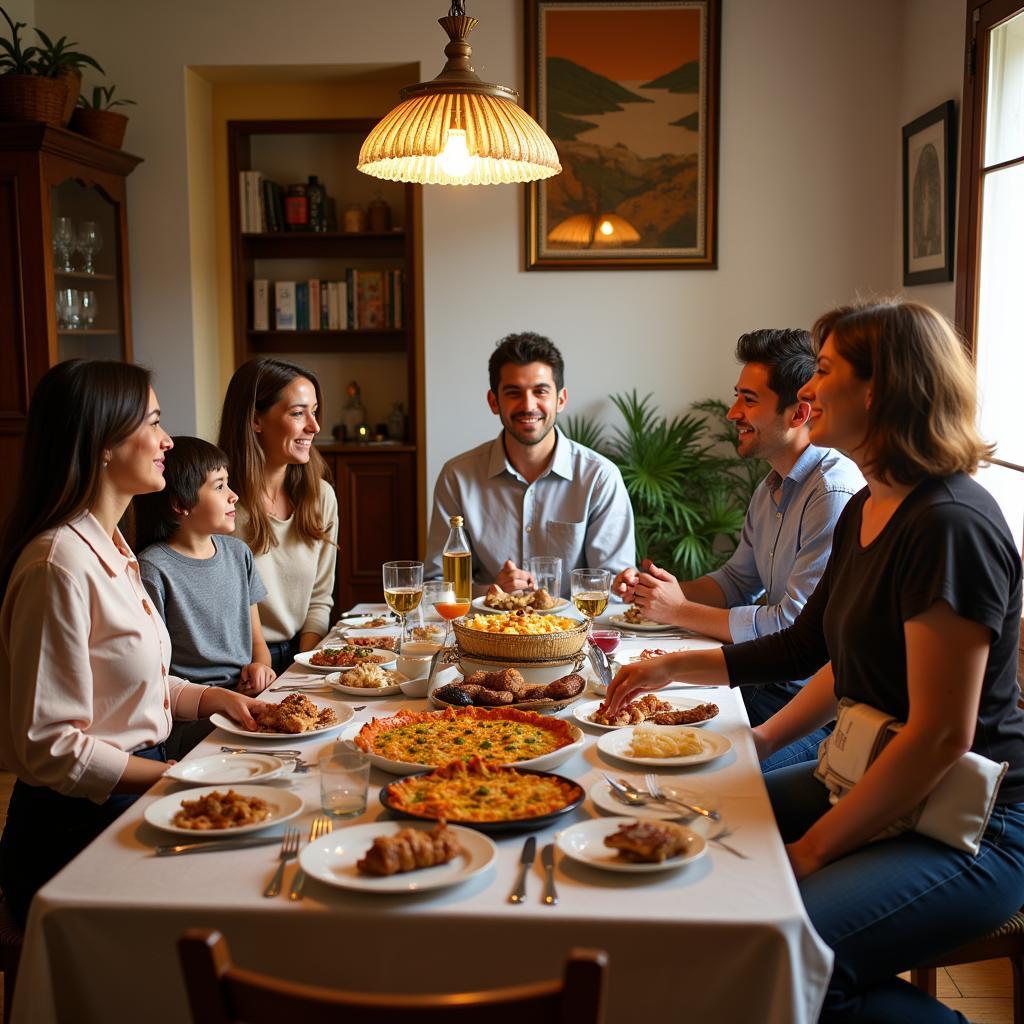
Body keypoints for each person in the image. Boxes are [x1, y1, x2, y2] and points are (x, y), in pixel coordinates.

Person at [606, 299, 1024, 1023]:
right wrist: (669, 668)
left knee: (767, 946)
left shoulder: (949, 526)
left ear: (880, 389)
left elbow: (938, 736)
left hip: (975, 820)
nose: (807, 391)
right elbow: (811, 648)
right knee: (699, 821)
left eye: (823, 371)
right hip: (879, 776)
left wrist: (812, 851)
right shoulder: (872, 503)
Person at [0, 361, 262, 926]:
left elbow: (128, 684)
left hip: (135, 789)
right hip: (76, 828)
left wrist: (212, 700)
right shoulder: (58, 565)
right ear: (101, 442)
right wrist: (179, 775)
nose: (167, 439)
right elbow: (52, 748)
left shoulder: (113, 548)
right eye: (153, 422)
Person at [613, 328, 863, 769]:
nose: (732, 413)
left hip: (810, 708)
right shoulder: (772, 484)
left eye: (749, 400)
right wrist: (662, 593)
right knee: (631, 733)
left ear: (798, 412)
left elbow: (792, 627)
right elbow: (736, 581)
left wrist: (679, 611)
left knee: (694, 769)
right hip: (763, 682)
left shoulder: (834, 493)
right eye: (737, 397)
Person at [424, 332, 635, 594]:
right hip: (487, 631)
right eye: (513, 393)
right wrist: (491, 593)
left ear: (560, 400)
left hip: (574, 633)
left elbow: (615, 591)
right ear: (494, 402)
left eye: (540, 391)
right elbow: (435, 585)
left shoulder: (600, 477)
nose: (528, 405)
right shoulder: (457, 476)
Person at [134, 436, 276, 759]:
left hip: (244, 699)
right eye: (219, 486)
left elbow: (258, 645)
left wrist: (261, 668)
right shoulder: (152, 569)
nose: (234, 495)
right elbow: (154, 674)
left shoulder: (239, 554)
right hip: (193, 717)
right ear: (180, 504)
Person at [218, 358, 338, 675]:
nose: (314, 426)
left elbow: (320, 599)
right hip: (240, 667)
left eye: (314, 411)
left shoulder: (320, 496)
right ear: (256, 420)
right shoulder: (220, 502)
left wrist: (306, 666)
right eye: (298, 413)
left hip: (303, 652)